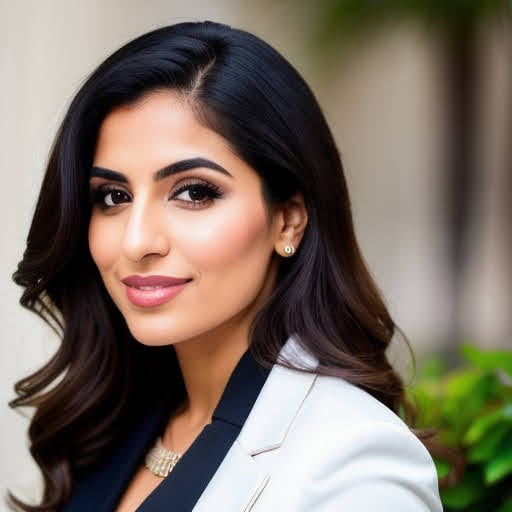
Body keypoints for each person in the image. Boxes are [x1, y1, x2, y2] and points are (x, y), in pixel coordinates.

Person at [10, 21, 442, 512]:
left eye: (194, 192)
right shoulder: (109, 422)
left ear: (288, 221)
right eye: (113, 196)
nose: (136, 241)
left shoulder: (354, 466)